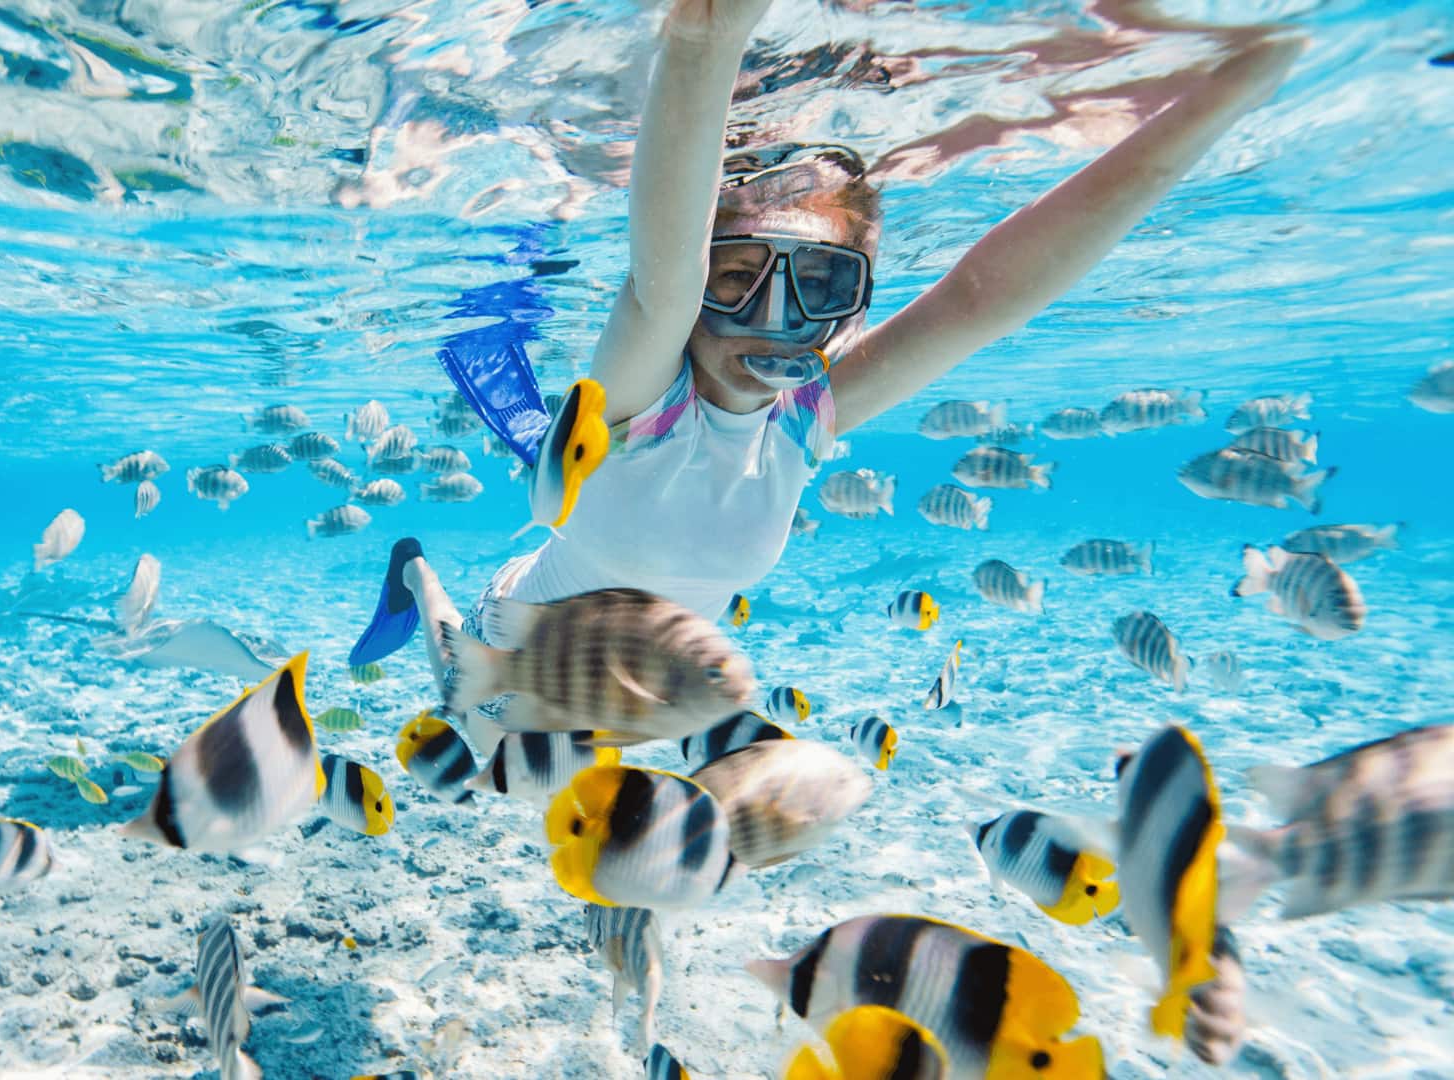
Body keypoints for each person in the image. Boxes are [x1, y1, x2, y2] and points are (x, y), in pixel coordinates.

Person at [350, 0, 1302, 719]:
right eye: (736, 276)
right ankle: (415, 574)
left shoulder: (805, 421)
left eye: (820, 285)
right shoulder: (647, 395)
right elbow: (660, 285)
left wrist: (1213, 103)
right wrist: (707, 37)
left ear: (853, 304)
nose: (773, 316)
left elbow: (983, 298)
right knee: (462, 719)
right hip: (513, 650)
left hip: (650, 692)